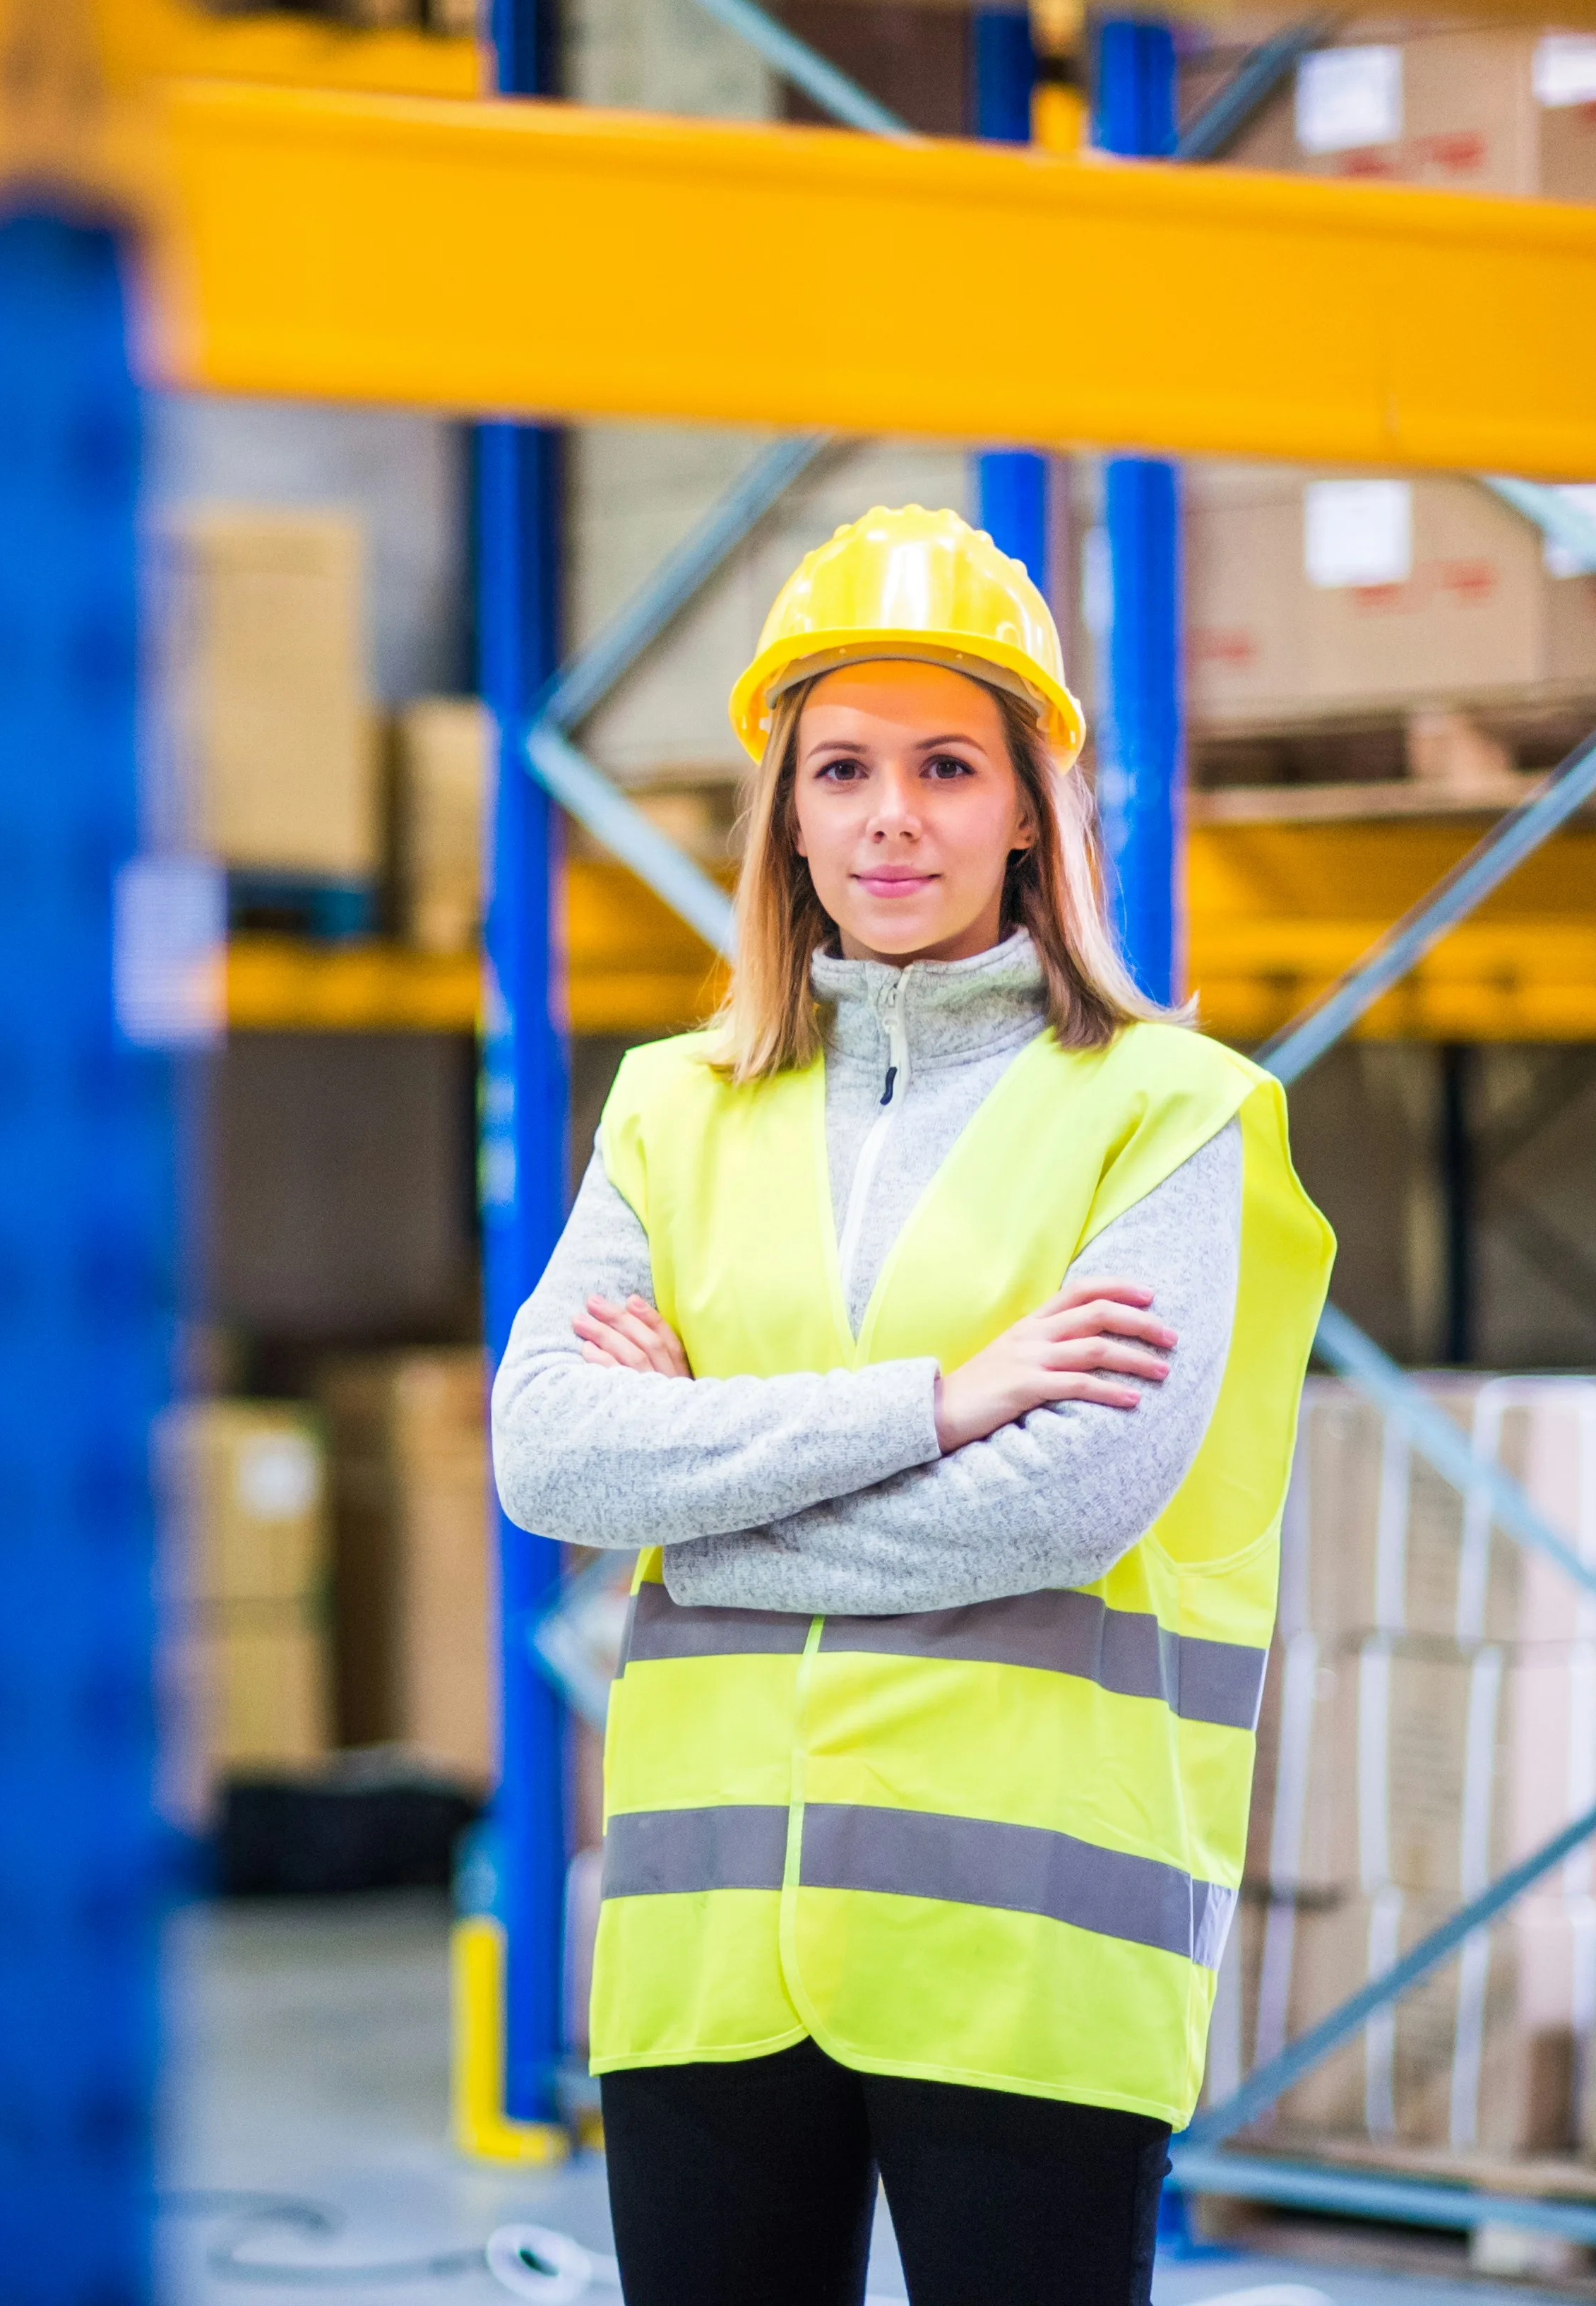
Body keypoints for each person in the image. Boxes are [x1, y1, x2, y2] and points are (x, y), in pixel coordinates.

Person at [490, 505, 1335, 2306]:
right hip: (709, 1952)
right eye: (843, 767)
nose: (891, 815)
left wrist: (701, 1515)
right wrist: (937, 1402)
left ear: (1030, 806)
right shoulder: (671, 1109)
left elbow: (1066, 1502)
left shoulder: (1167, 1112)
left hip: (1024, 1961)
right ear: (788, 813)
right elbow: (547, 1452)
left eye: (947, 766)